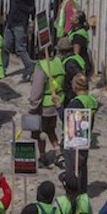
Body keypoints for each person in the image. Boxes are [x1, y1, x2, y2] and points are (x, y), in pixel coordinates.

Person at [27, 39, 66, 167]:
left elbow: (37, 90)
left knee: (40, 134)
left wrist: (33, 106)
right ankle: (58, 153)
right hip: (57, 103)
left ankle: (43, 157)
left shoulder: (42, 66)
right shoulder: (58, 62)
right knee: (51, 130)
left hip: (44, 106)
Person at [63, 74, 98, 192]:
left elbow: (68, 121)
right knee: (82, 167)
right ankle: (83, 191)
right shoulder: (92, 101)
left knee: (73, 168)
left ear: (75, 86)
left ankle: (74, 192)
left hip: (75, 139)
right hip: (85, 137)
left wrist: (58, 107)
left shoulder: (76, 103)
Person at [2, 0, 36, 81]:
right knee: (5, 46)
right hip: (11, 21)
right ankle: (2, 69)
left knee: (20, 48)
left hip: (20, 23)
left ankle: (29, 67)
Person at [61, 38, 87, 107]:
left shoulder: (70, 63)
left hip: (72, 93)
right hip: (77, 91)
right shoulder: (76, 57)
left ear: (62, 51)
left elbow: (79, 76)